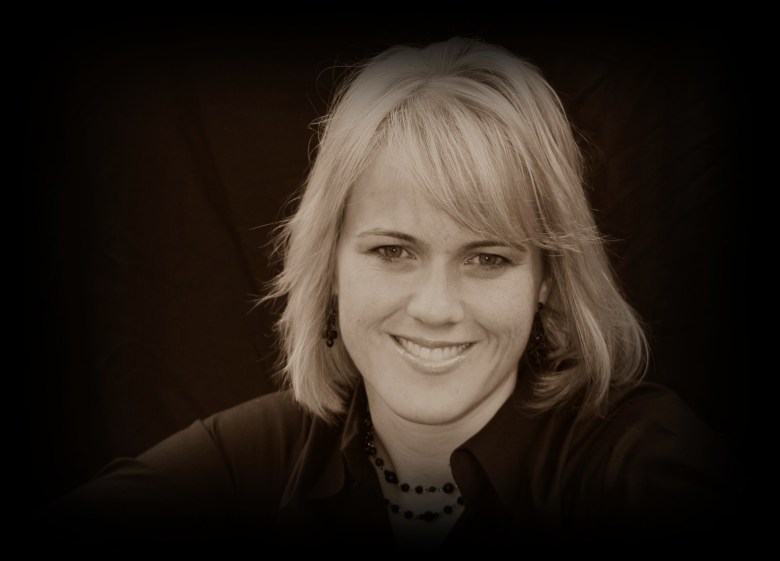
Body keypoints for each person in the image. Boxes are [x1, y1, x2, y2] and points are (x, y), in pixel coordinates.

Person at [40, 36, 737, 550]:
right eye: (393, 251)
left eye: (487, 257)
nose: (436, 306)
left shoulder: (640, 459)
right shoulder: (261, 454)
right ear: (330, 265)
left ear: (547, 281)